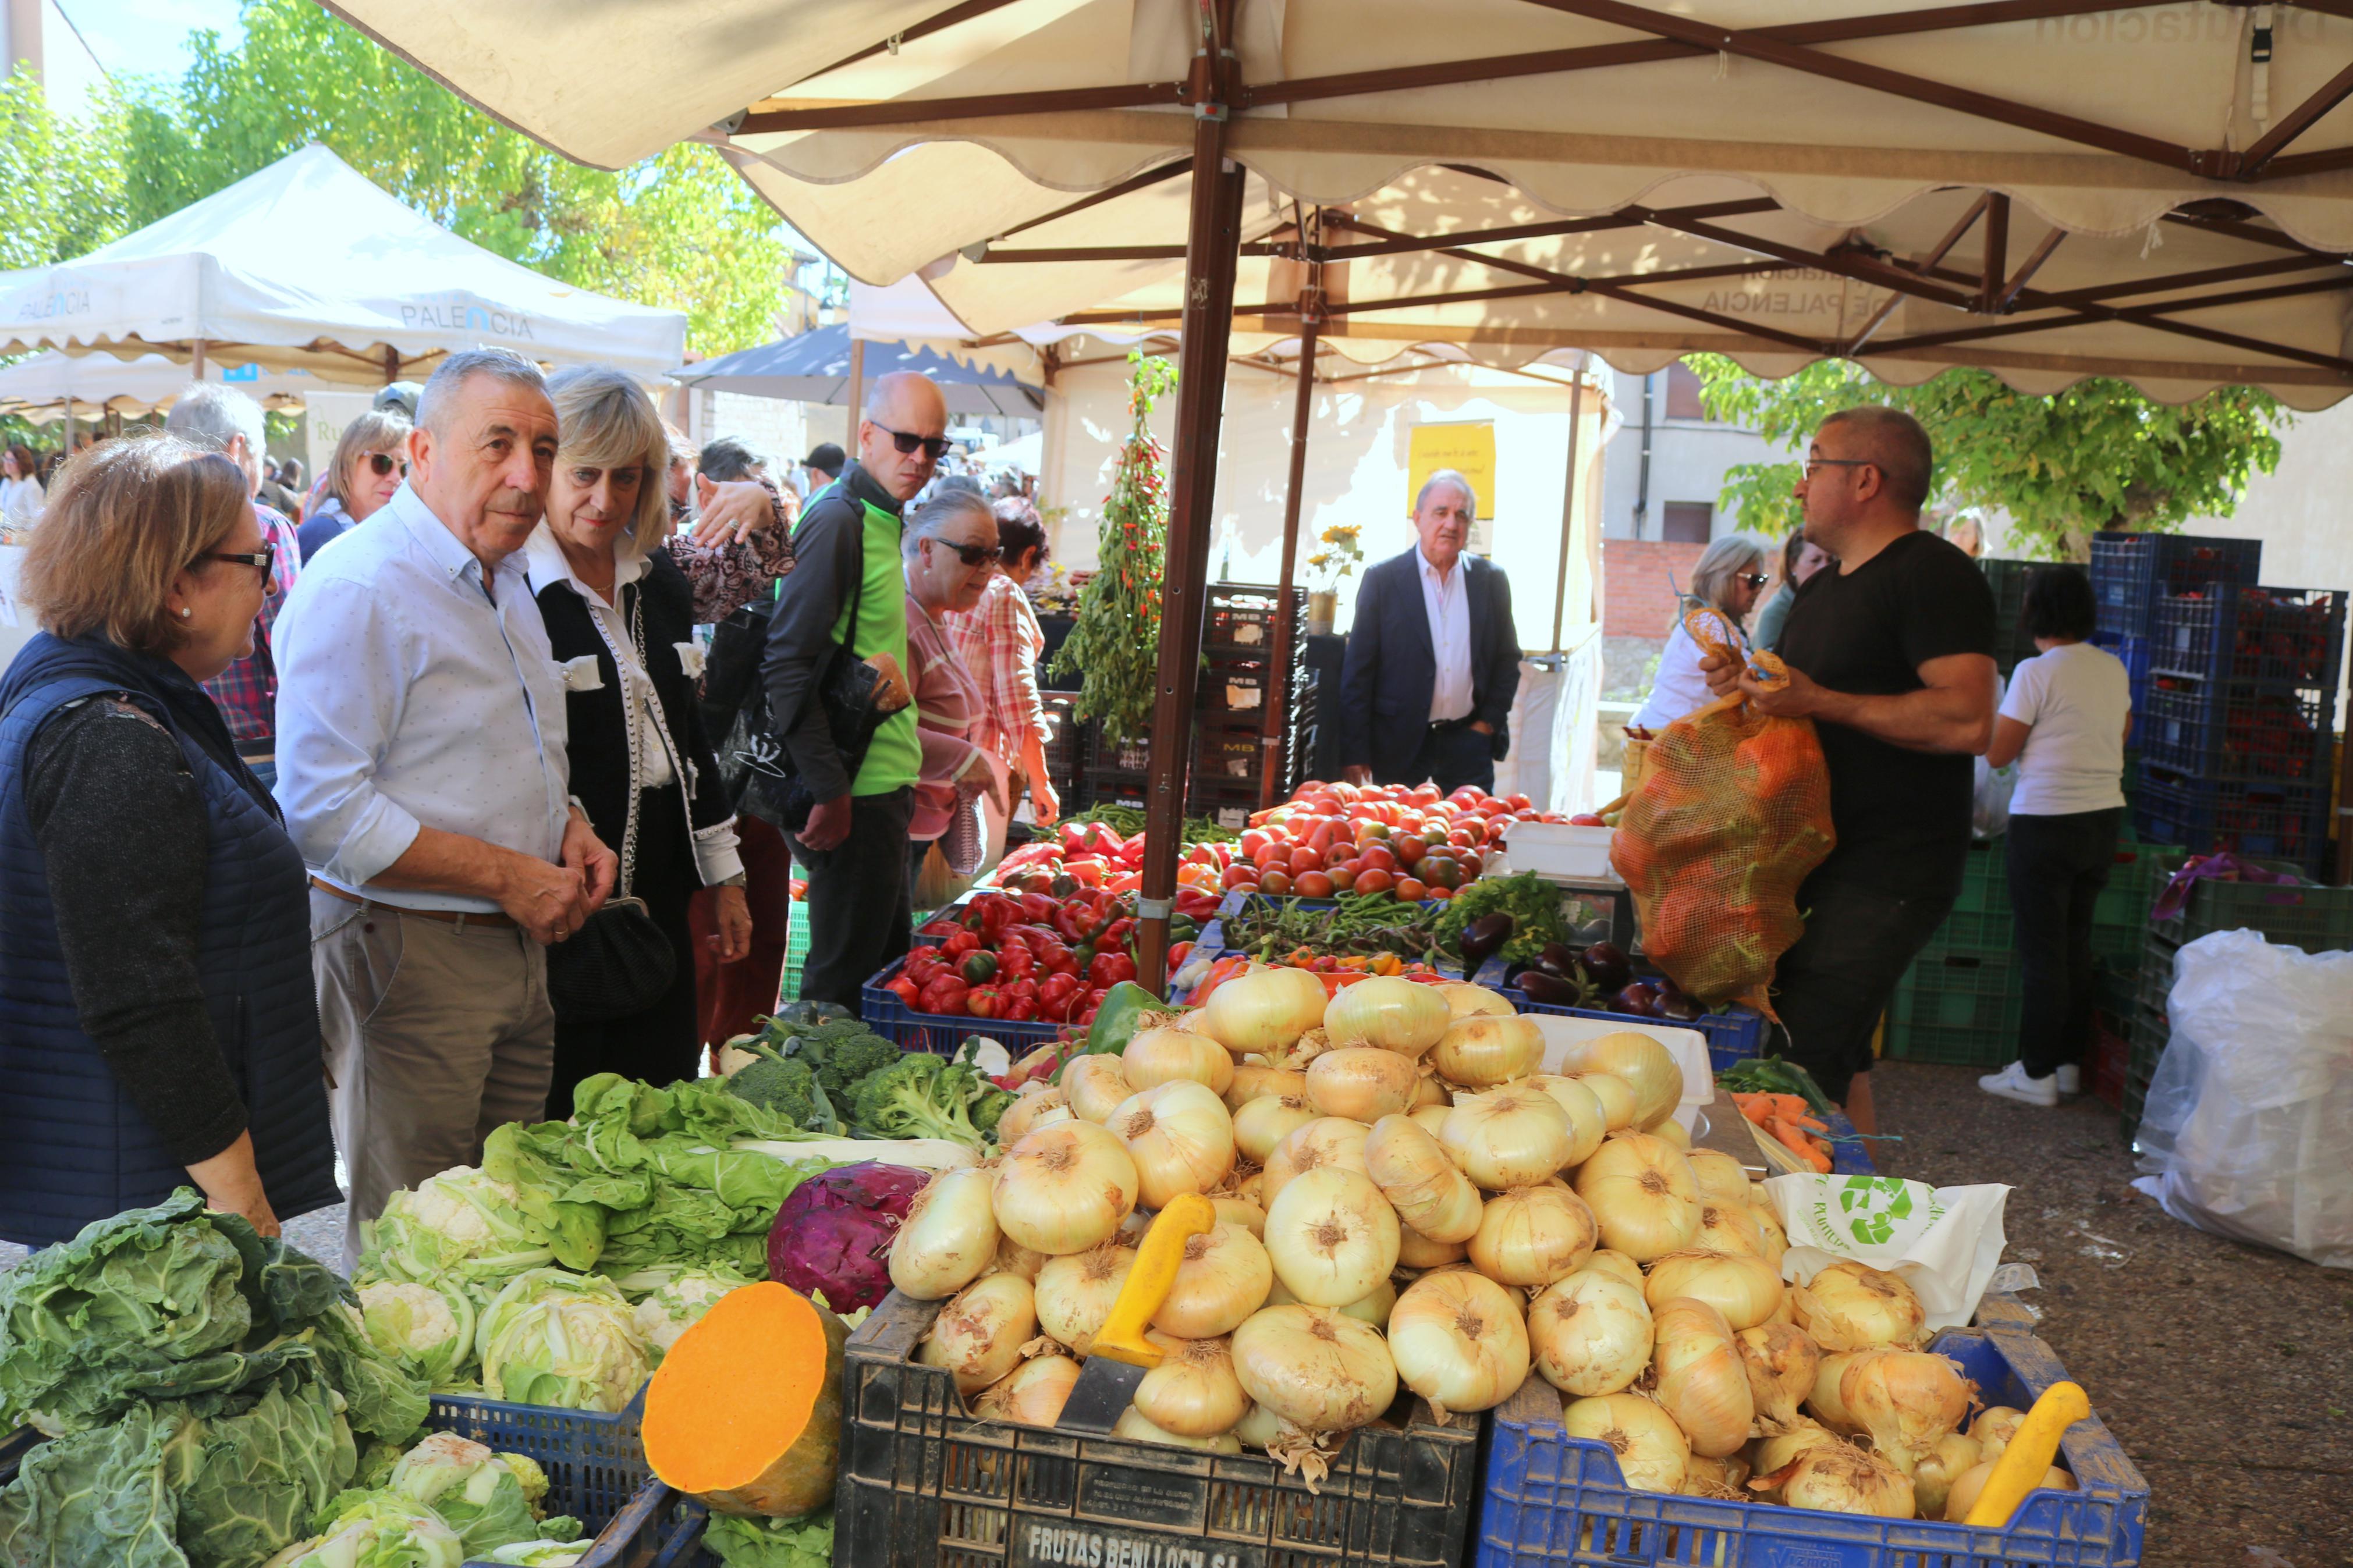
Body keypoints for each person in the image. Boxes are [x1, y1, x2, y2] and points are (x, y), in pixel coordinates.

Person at [272, 348, 619, 1264]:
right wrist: (510, 874)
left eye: (542, 448)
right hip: (409, 948)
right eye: (497, 443)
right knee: (415, 1243)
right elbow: (321, 812)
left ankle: (473, 1410)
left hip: (515, 941)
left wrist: (570, 821)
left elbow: (503, 741)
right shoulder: (360, 586)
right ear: (421, 451)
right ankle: (413, 1410)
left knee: (502, 1221)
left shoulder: (504, 574)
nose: (525, 473)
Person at [0, 435, 337, 1246]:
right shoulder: (111, 736)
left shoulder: (92, 694)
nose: (267, 586)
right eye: (255, 560)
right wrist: (242, 1197)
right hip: (146, 1214)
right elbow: (139, 996)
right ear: (179, 584)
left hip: (134, 1186)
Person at [1701, 407, 1996, 1134]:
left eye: (1812, 465)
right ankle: (1860, 1209)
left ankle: (1799, 1229)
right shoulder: (1823, 590)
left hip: (1886, 869)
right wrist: (1749, 690)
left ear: (1864, 479)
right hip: (1812, 860)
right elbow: (1805, 717)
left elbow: (1967, 719)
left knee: (1797, 1064)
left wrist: (1819, 697)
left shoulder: (1933, 573)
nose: (1799, 488)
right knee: (1828, 1057)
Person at [526, 367, 752, 1107]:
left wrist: (724, 878)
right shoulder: (512, 590)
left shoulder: (660, 585)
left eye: (625, 477)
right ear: (546, 467)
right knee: (566, 1109)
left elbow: (690, 743)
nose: (603, 499)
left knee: (660, 1098)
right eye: (583, 474)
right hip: (559, 896)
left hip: (662, 880)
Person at [762, 371, 943, 1010]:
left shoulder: (877, 516)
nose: (918, 458)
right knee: (838, 995)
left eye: (933, 446)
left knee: (877, 980)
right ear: (866, 435)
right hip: (852, 795)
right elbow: (786, 661)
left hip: (877, 791)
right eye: (904, 440)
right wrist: (829, 791)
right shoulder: (838, 519)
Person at [1978, 566, 2131, 1108]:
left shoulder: (2034, 671)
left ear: (2032, 613)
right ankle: (2065, 1065)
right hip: (2101, 816)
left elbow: (1997, 753)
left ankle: (2036, 1073)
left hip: (2046, 818)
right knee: (2074, 944)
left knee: (2042, 949)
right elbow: (2121, 734)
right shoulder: (2112, 668)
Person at [1338, 470, 1522, 794]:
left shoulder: (1490, 581)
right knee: (1397, 841)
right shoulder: (1384, 580)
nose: (1451, 524)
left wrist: (1487, 723)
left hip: (1468, 743)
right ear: (1418, 518)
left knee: (1469, 840)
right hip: (1398, 745)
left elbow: (1508, 660)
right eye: (1441, 513)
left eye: (1461, 515)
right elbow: (1358, 671)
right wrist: (1355, 750)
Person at [165, 385, 304, 791]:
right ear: (238, 447)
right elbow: (293, 649)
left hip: (176, 737)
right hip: (258, 749)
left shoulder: (150, 523)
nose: (271, 582)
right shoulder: (265, 525)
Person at [901, 491, 1008, 902]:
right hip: (894, 829)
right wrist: (964, 759)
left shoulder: (934, 614)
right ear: (926, 550)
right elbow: (886, 732)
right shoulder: (903, 621)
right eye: (971, 554)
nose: (985, 569)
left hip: (918, 831)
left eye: (992, 555)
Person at [946, 497, 1062, 854]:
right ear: (1027, 555)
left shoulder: (950, 582)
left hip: (941, 753)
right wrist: (1041, 782)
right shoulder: (1003, 593)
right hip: (982, 762)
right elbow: (1018, 699)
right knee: (967, 877)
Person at [1629, 532, 1770, 733]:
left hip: (1671, 736)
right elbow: (1751, 679)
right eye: (1753, 580)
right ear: (1724, 578)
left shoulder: (1710, 621)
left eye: (1763, 581)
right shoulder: (1708, 623)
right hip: (1663, 740)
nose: (1758, 590)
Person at [296, 409, 411, 562]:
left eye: (404, 468)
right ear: (347, 465)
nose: (397, 478)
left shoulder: (389, 533)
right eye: (383, 462)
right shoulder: (320, 534)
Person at [1754, 530, 1834, 653]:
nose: (1826, 566)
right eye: (1815, 560)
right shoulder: (1775, 615)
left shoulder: (1827, 604)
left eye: (1830, 559)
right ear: (1792, 565)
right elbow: (1769, 668)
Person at [1, 443, 45, 535]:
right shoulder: (6, 482)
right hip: (6, 536)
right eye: (6, 459)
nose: (8, 464)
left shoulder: (31, 485)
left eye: (12, 461)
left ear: (22, 462)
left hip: (22, 539)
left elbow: (37, 519)